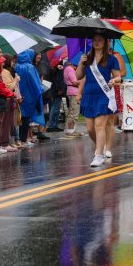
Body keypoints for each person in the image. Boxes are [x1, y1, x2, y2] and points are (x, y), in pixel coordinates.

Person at [76, 34, 122, 167]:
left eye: (99, 40)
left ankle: (98, 155)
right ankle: (100, 147)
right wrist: (81, 62)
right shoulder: (87, 58)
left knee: (99, 125)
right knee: (90, 129)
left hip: (104, 94)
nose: (96, 42)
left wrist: (114, 80)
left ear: (105, 42)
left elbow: (118, 77)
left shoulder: (111, 59)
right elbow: (79, 76)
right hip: (89, 95)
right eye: (94, 40)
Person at [16, 50, 46, 148]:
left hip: (18, 95)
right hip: (30, 96)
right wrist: (40, 91)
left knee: (19, 118)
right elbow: (35, 83)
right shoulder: (30, 67)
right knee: (26, 119)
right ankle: (23, 140)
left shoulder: (15, 66)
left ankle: (19, 139)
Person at [0, 55, 20, 152]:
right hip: (8, 99)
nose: (13, 63)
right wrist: (16, 80)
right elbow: (8, 87)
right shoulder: (5, 72)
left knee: (4, 122)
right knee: (6, 122)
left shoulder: (3, 71)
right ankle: (4, 143)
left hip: (6, 98)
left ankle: (0, 142)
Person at [63, 60, 82, 137]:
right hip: (74, 91)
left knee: (71, 111)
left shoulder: (66, 69)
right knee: (74, 112)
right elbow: (74, 81)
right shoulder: (70, 69)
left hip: (70, 91)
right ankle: (71, 131)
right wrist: (83, 82)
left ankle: (70, 130)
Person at [47, 61, 67, 132]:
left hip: (57, 89)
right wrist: (60, 88)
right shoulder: (54, 68)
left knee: (56, 109)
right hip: (56, 90)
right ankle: (51, 125)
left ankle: (54, 125)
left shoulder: (57, 66)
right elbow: (56, 79)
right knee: (55, 108)